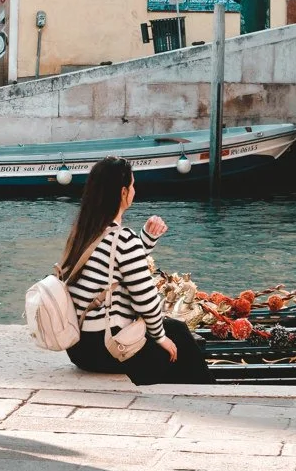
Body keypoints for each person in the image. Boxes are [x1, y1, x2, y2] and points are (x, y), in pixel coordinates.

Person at [56, 157, 210, 384]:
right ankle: (206, 393)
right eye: (133, 185)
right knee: (177, 335)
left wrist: (145, 240)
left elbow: (112, 266)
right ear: (123, 192)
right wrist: (161, 338)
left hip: (80, 349)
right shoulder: (124, 240)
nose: (134, 190)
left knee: (173, 331)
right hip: (109, 349)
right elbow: (146, 301)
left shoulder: (83, 232)